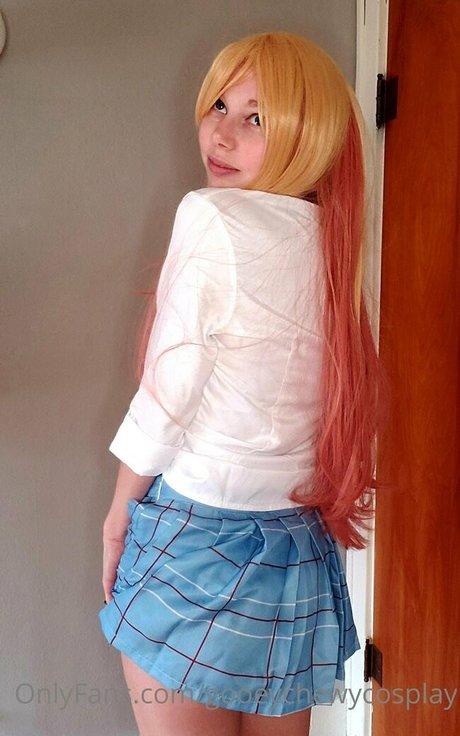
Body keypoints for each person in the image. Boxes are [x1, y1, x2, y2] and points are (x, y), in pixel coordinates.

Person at [99, 31, 387, 736]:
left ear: (307, 134)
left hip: (197, 544)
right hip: (296, 552)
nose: (221, 134)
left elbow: (168, 396)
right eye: (219, 106)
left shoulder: (212, 217)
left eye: (255, 117)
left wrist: (118, 517)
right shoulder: (333, 242)